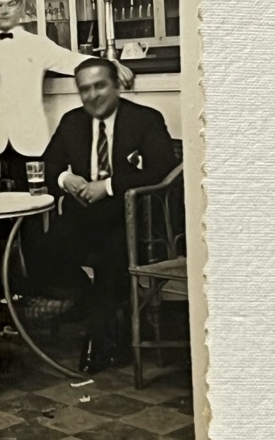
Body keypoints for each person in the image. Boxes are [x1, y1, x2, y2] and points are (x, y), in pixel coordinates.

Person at [40, 58, 177, 374]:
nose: (92, 95)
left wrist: (110, 186)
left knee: (108, 259)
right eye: (84, 89)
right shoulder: (71, 121)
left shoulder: (144, 119)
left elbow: (165, 167)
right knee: (41, 253)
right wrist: (64, 179)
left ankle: (97, 341)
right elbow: (46, 165)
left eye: (99, 85)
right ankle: (97, 310)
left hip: (128, 217)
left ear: (116, 85)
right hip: (81, 214)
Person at [0, 0, 134, 190]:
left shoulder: (38, 44)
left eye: (10, 4)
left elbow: (72, 61)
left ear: (20, 6)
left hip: (30, 142)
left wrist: (110, 64)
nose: (4, 11)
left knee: (33, 205)